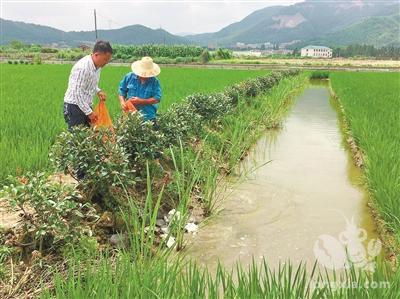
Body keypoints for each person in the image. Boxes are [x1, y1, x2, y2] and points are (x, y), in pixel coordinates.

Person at [63, 40, 113, 130]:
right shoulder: (82, 67)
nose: (106, 62)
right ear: (96, 55)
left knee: (88, 138)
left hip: (85, 105)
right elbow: (77, 93)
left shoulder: (97, 66)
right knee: (77, 139)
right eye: (105, 59)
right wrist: (89, 112)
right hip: (74, 107)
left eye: (108, 60)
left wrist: (98, 91)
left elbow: (89, 82)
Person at [118, 56, 162, 126]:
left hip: (148, 117)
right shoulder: (129, 77)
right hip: (130, 115)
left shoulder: (154, 82)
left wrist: (141, 101)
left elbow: (157, 99)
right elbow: (121, 91)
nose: (144, 75)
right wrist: (122, 102)